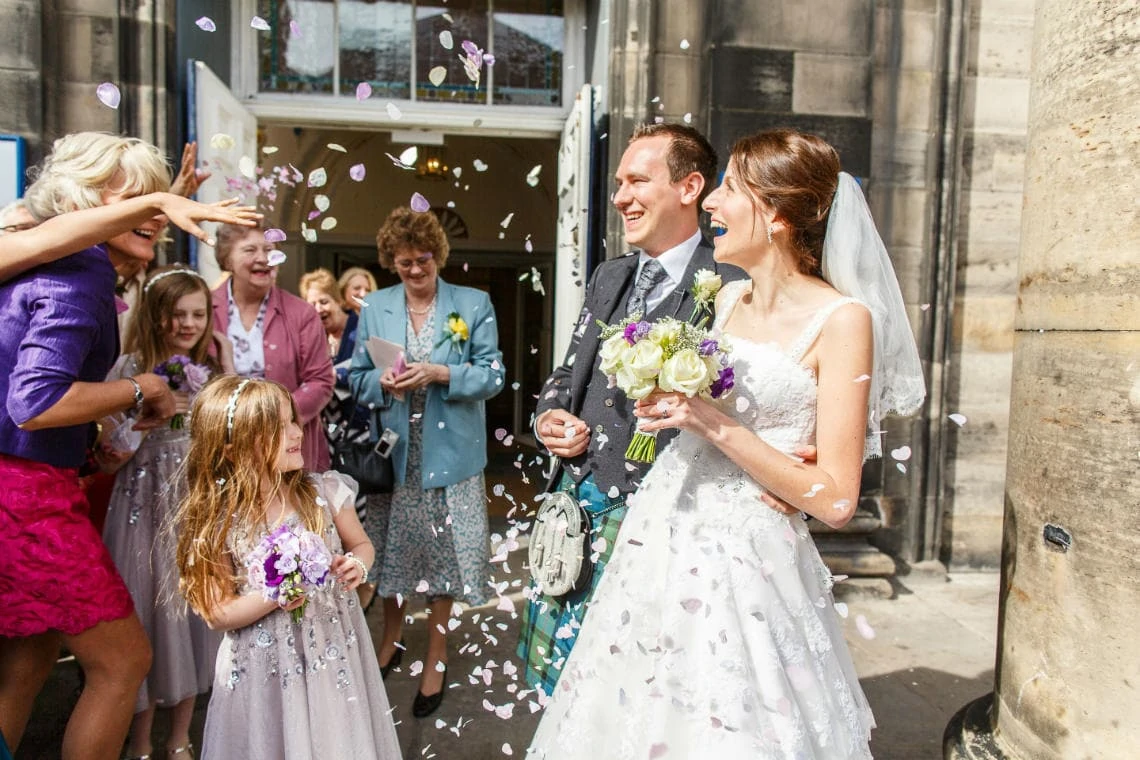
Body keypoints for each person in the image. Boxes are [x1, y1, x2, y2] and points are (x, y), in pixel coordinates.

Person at [527, 129, 926, 758]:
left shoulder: (845, 320)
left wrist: (719, 429)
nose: (711, 202)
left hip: (746, 566)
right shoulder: (726, 299)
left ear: (774, 213)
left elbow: (837, 498)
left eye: (730, 189)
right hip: (656, 539)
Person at [517, 123, 748, 693]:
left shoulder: (731, 284)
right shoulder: (610, 275)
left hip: (669, 523)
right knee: (562, 690)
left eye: (637, 180)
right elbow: (568, 373)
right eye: (619, 182)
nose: (620, 196)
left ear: (690, 186)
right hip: (577, 509)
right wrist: (548, 418)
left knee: (635, 691)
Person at [0, 132, 185, 759]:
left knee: (29, 656)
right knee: (124, 662)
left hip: (21, 482)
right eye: (137, 199)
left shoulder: (48, 262)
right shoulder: (79, 275)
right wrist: (141, 387)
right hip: (26, 500)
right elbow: (36, 401)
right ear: (89, 202)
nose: (153, 214)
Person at [173, 376, 401, 759]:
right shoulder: (220, 521)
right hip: (264, 672)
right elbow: (217, 613)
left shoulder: (324, 492)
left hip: (331, 653)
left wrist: (357, 564)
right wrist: (278, 593)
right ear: (232, 449)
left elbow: (362, 544)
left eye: (293, 421)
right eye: (278, 428)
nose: (296, 432)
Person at [349, 206, 504, 718]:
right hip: (396, 453)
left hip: (452, 455)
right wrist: (382, 383)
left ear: (438, 255)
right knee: (394, 551)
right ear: (390, 263)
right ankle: (390, 639)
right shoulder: (376, 305)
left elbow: (492, 375)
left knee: (443, 561)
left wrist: (441, 373)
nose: (415, 271)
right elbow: (355, 377)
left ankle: (436, 655)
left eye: (423, 260)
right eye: (404, 263)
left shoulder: (472, 304)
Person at [98, 266, 233, 759]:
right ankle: (139, 740)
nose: (188, 324)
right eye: (178, 314)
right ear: (157, 317)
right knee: (144, 615)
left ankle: (180, 738)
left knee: (192, 617)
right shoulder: (132, 366)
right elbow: (107, 451)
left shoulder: (215, 369)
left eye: (198, 314)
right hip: (141, 503)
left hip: (195, 506)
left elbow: (230, 442)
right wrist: (142, 423)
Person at [211, 224, 334, 472]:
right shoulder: (204, 309)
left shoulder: (302, 314)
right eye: (250, 250)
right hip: (222, 446)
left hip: (287, 449)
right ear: (227, 260)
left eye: (269, 249)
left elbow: (320, 381)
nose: (263, 258)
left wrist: (272, 421)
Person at [300, 267, 373, 557]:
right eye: (312, 304)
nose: (318, 309)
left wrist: (328, 376)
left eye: (324, 301)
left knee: (354, 504)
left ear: (337, 300)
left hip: (355, 432)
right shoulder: (312, 334)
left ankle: (359, 566)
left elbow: (369, 373)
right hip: (322, 434)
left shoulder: (359, 329)